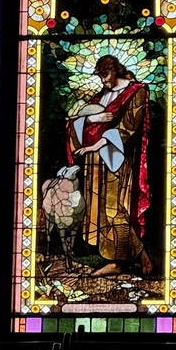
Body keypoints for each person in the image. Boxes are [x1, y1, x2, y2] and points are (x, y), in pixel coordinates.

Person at [67, 54, 152, 276]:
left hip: (117, 158)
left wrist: (97, 146)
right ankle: (119, 260)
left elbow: (129, 127)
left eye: (105, 74)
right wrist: (91, 120)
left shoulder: (136, 91)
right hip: (95, 160)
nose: (104, 80)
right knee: (102, 212)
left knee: (116, 210)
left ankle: (133, 260)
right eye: (101, 76)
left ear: (116, 70)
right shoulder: (102, 96)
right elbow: (75, 121)